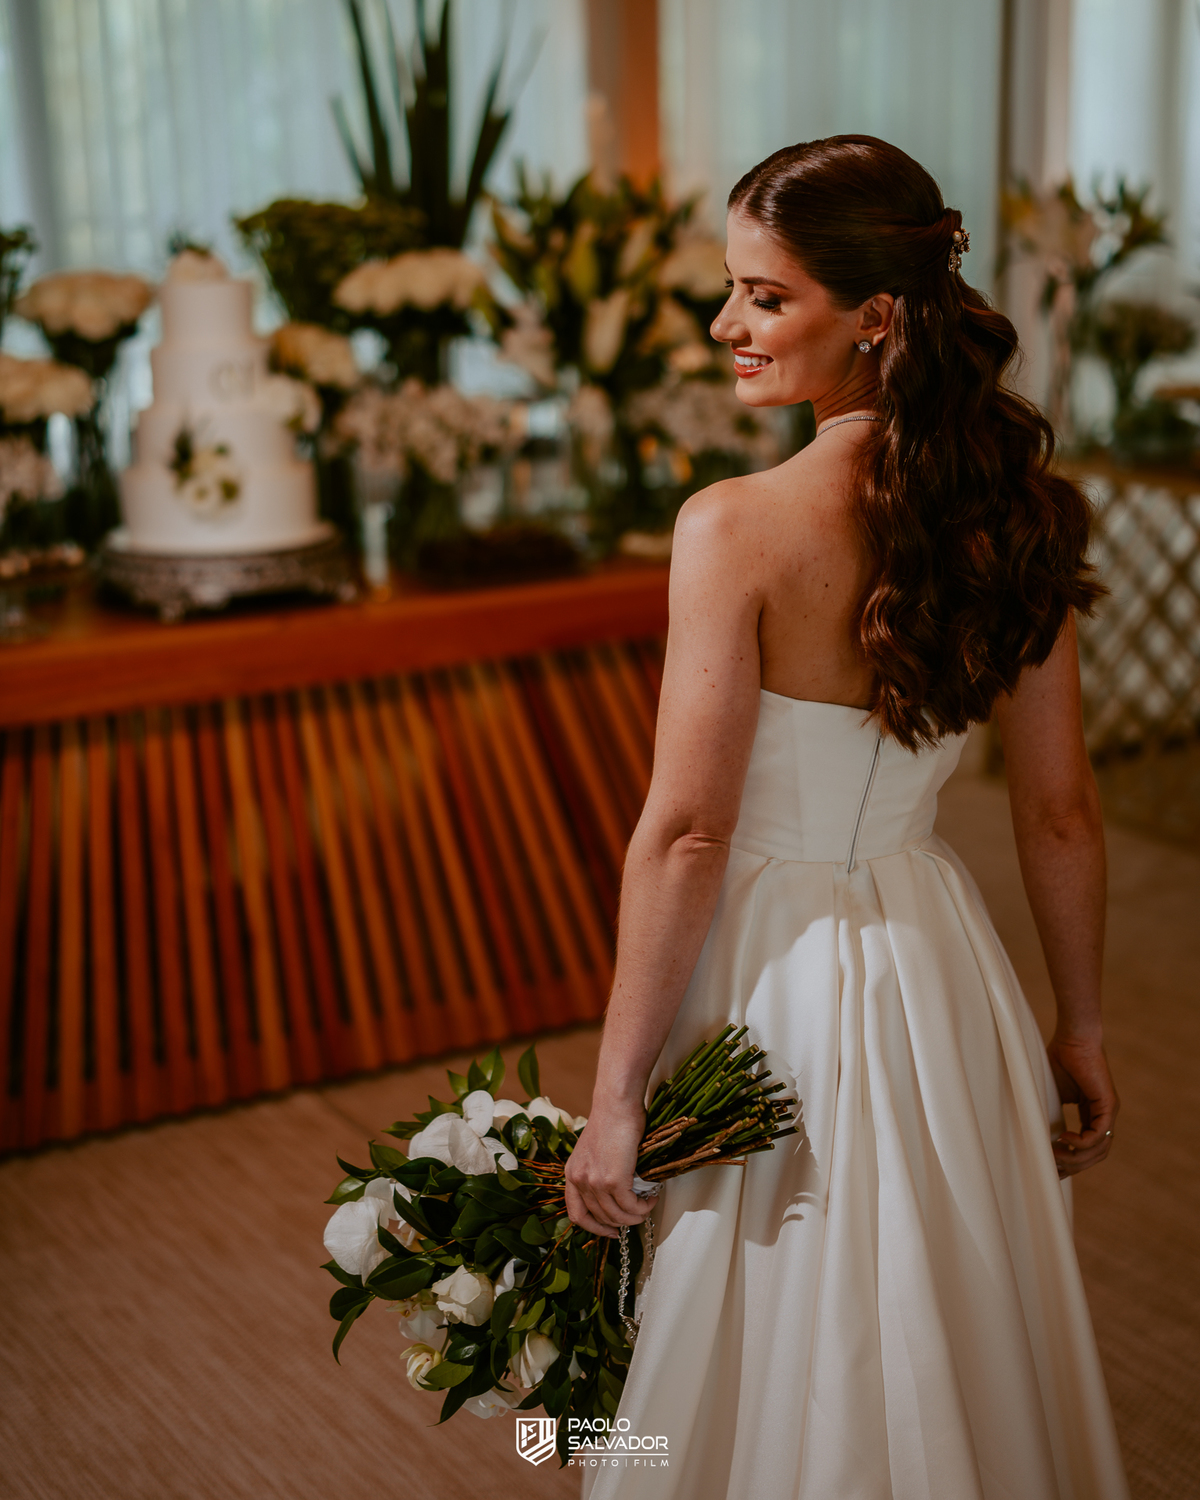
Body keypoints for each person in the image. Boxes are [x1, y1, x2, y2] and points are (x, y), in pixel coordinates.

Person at [564, 136, 1129, 1500]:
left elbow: (688, 831)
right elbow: (1058, 813)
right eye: (729, 290)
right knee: (934, 1301)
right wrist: (1081, 1022)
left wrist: (613, 1101)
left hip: (775, 966)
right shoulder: (1024, 510)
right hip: (936, 957)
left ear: (874, 313)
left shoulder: (734, 526)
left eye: (764, 296)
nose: (725, 324)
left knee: (754, 1309)